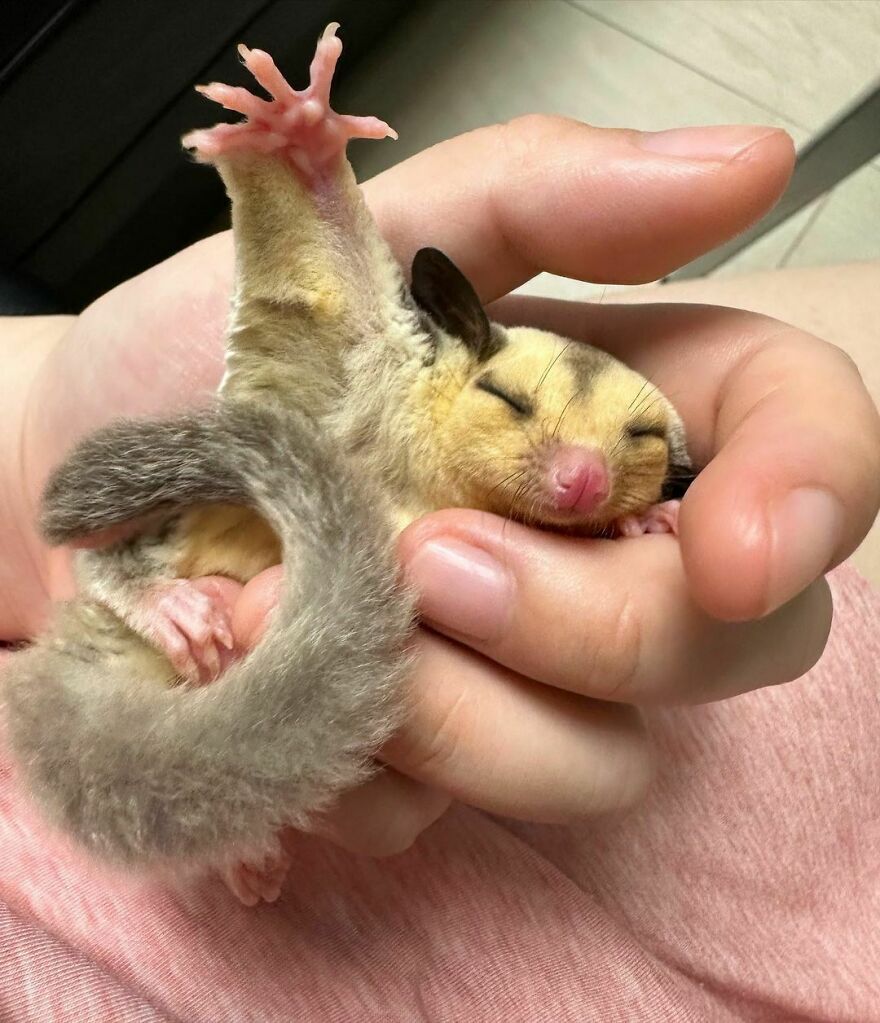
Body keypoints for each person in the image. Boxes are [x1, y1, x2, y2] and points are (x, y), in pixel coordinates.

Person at [1, 117, 878, 1020]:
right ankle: (214, 764)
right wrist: (314, 173)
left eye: (642, 446)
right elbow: (344, 300)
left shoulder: (576, 507)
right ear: (456, 361)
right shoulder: (411, 390)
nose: (580, 475)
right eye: (516, 408)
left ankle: (225, 782)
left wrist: (656, 509)